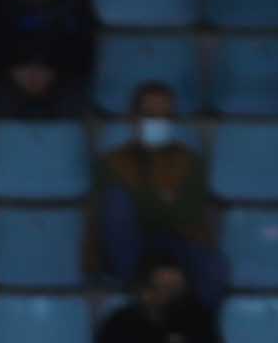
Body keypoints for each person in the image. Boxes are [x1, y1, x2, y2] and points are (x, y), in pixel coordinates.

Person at [90, 81, 222, 305]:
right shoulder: (112, 162)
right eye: (149, 114)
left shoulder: (189, 161)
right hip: (130, 247)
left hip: (177, 244)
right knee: (117, 204)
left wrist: (143, 199)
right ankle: (136, 295)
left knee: (216, 267)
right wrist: (163, 197)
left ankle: (194, 326)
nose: (157, 122)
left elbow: (187, 216)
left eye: (165, 115)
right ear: (134, 119)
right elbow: (107, 218)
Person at [0, 0, 96, 119]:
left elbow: (85, 53)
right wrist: (16, 72)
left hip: (62, 83)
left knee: (78, 111)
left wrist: (53, 73)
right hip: (11, 83)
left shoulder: (77, 2)